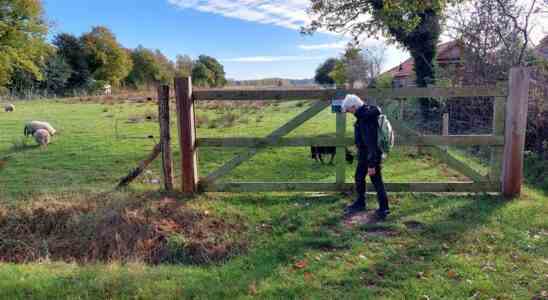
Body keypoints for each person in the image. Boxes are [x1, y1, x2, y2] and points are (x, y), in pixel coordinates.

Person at [341, 94, 390, 220]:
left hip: (371, 155)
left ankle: (384, 209)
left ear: (353, 106)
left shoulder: (366, 119)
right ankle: (360, 203)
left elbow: (372, 143)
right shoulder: (364, 115)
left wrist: (372, 164)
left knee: (376, 180)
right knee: (359, 177)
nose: (348, 112)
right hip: (364, 155)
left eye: (348, 109)